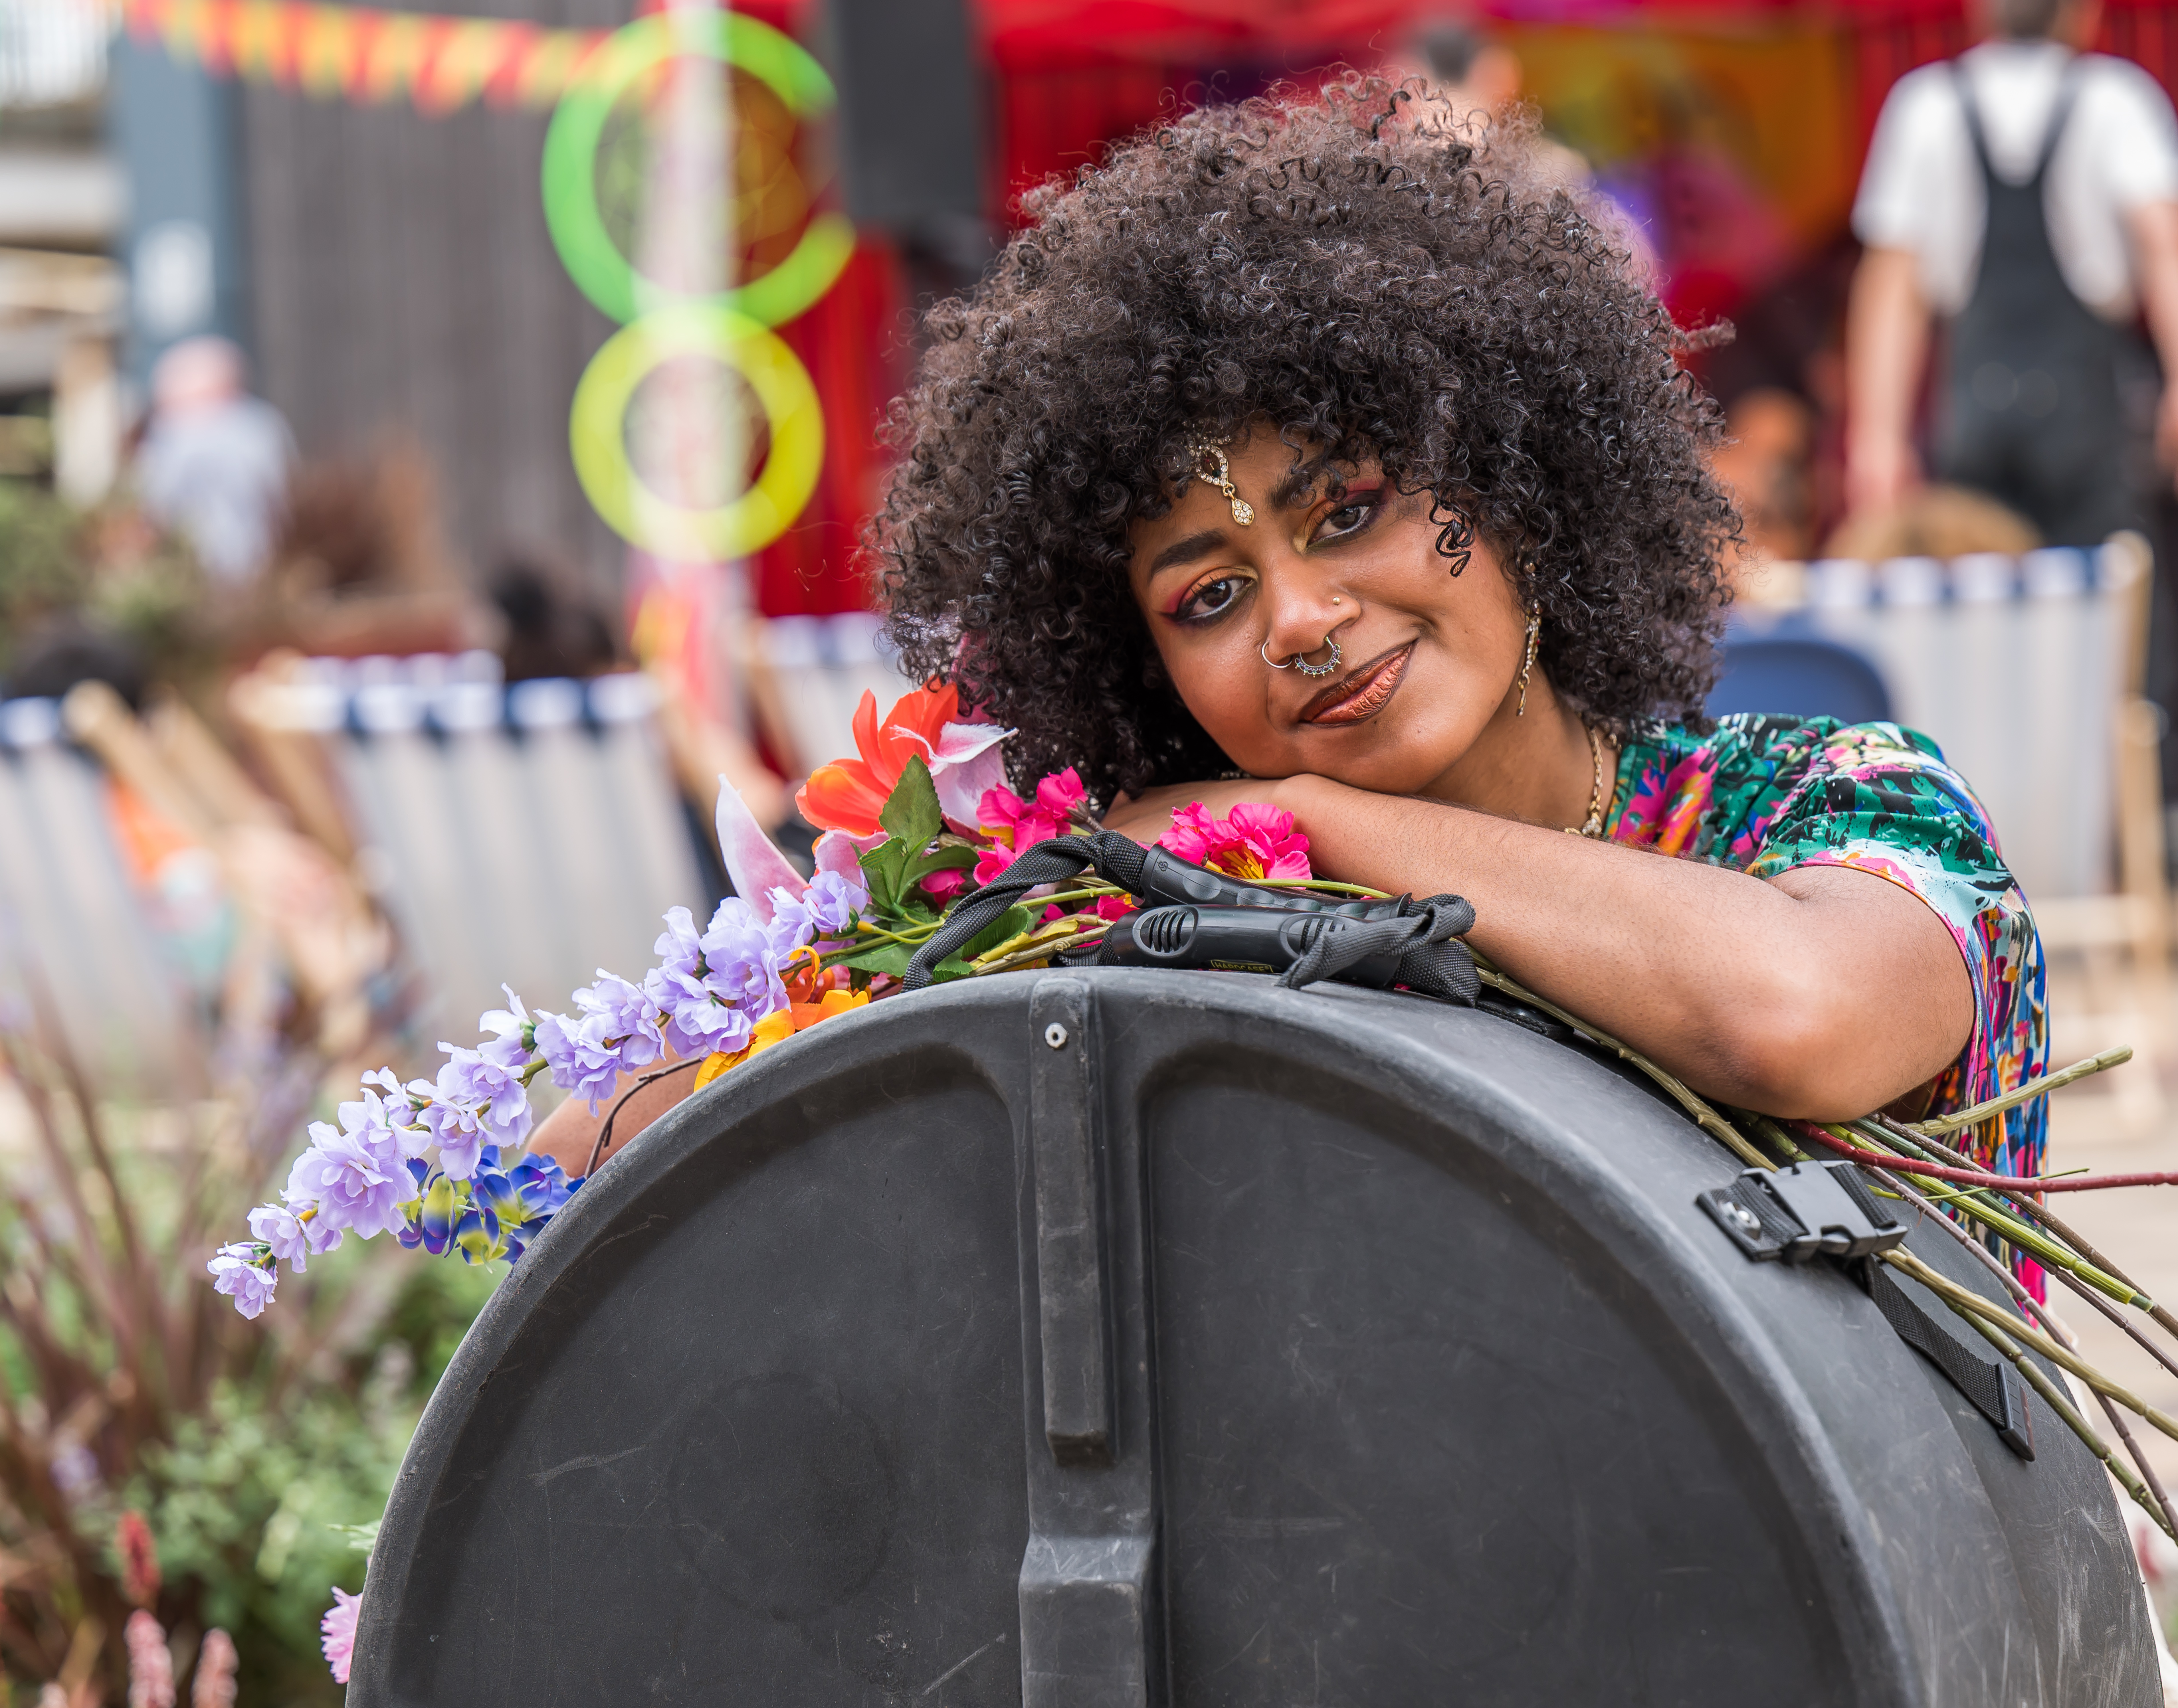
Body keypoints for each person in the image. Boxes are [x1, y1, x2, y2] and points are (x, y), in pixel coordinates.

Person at [530, 83, 2048, 1255]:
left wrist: (1297, 823)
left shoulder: (1844, 805)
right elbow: (585, 1142)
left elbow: (1797, 1016)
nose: (1303, 619)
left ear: (1510, 483)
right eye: (1207, 595)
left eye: (1351, 509)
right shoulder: (1165, 920)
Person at [1845, 0, 2178, 546]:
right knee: (2113, 613)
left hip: (1974, 419)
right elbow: (2164, 244)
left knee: (1988, 615)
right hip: (2090, 426)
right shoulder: (2118, 99)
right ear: (2084, 12)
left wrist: (1877, 440)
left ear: (1978, 10)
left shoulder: (1924, 106)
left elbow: (1892, 286)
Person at [135, 336, 296, 585]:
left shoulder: (174, 434)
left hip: (195, 575)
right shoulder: (262, 426)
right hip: (263, 570)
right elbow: (284, 495)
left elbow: (155, 503)